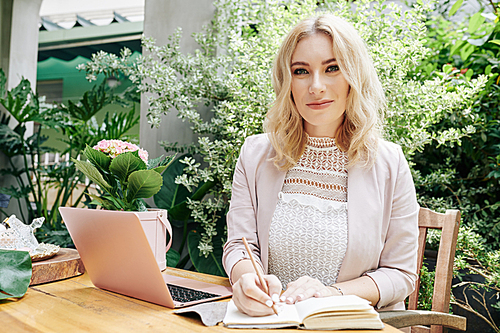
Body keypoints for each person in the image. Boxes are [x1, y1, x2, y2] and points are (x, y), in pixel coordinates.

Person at [222, 14, 419, 317]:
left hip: (350, 324)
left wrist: (330, 294)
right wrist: (246, 278)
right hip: (273, 322)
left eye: (332, 68)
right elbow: (239, 245)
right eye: (301, 71)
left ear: (354, 75)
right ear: (287, 83)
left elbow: (400, 274)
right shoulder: (255, 154)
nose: (316, 86)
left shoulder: (389, 164)